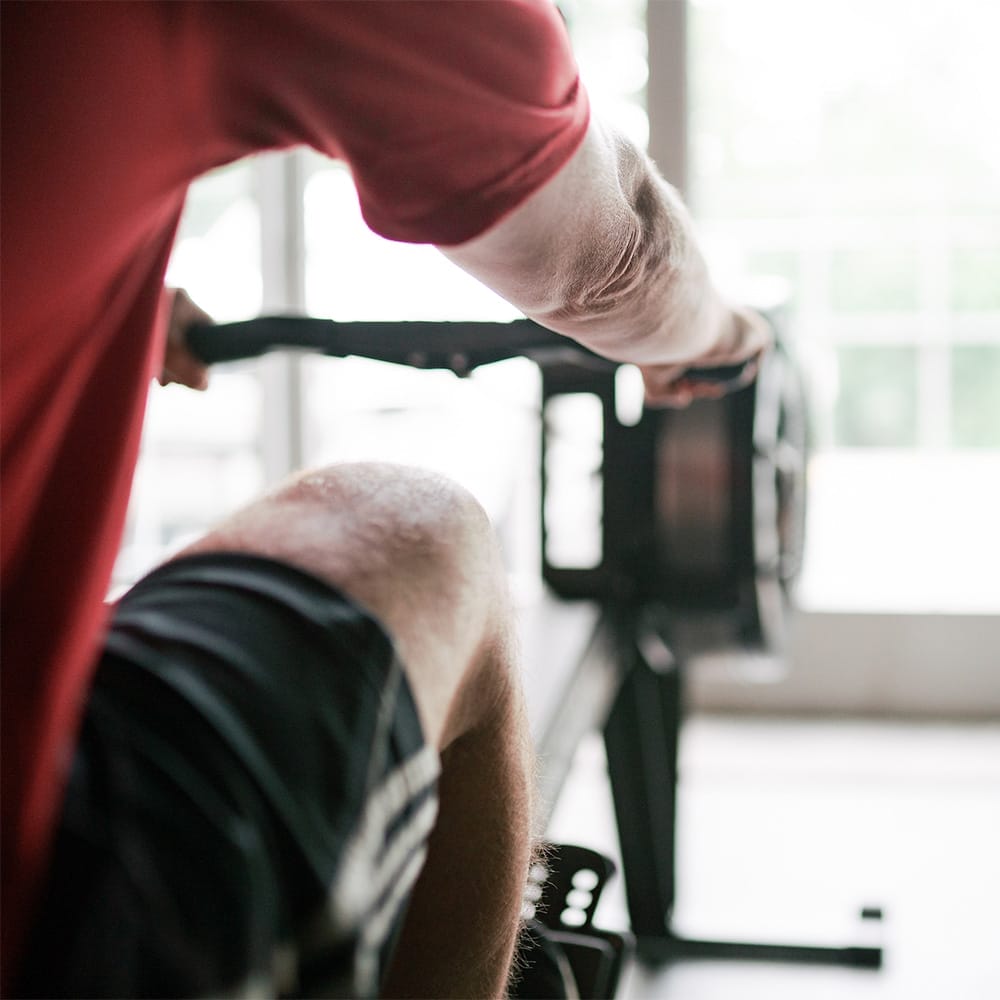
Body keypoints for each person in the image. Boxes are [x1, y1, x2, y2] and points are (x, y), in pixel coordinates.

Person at [1, 1, 768, 995]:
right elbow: (598, 252)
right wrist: (717, 335)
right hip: (39, 903)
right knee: (422, 525)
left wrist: (111, 288)